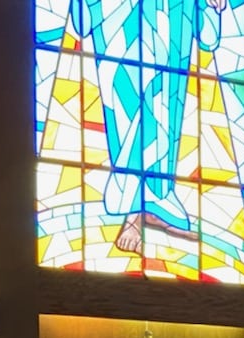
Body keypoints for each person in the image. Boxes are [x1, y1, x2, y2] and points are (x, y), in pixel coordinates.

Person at [65, 0, 229, 254]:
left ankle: (157, 200)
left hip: (174, 11)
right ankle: (133, 212)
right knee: (127, 105)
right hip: (118, 13)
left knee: (165, 104)